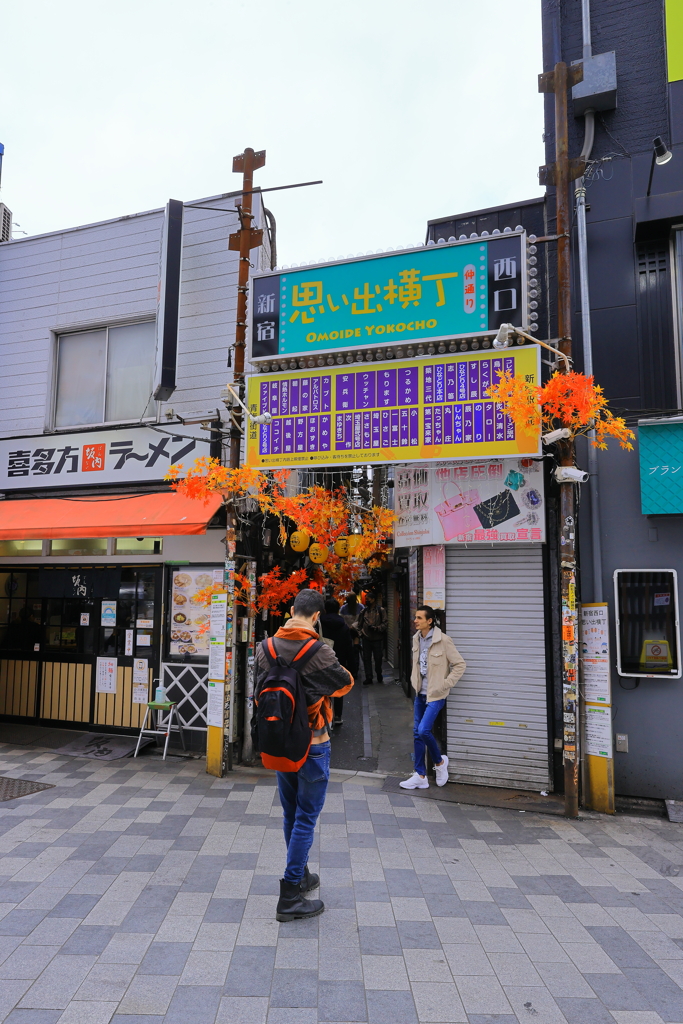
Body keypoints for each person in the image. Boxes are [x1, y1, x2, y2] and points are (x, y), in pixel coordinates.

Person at [254, 589, 353, 921]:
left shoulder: (264, 648)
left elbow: (258, 693)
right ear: (316, 617)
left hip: (281, 743)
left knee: (290, 814)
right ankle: (290, 894)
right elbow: (344, 683)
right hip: (313, 744)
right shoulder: (319, 651)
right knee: (307, 817)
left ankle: (302, 872)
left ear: (291, 610)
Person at [400, 604, 466, 790]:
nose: (415, 621)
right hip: (420, 693)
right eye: (416, 617)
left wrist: (445, 684)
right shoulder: (416, 639)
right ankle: (420, 775)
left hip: (436, 694)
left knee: (423, 730)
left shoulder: (443, 640)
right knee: (416, 733)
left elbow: (460, 665)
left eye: (419, 618)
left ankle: (439, 763)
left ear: (430, 621)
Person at [320, 598, 354, 726]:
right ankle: (338, 715)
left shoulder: (319, 624)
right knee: (338, 686)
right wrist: (352, 667)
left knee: (323, 686)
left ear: (325, 609)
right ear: (338, 609)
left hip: (321, 659)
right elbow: (348, 646)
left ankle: (325, 714)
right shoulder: (343, 625)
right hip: (339, 659)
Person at [354, 590, 387, 685]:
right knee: (366, 659)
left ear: (373, 600)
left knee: (378, 658)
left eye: (368, 599)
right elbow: (358, 624)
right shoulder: (363, 611)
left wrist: (377, 628)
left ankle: (379, 673)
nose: (367, 601)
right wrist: (361, 634)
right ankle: (369, 676)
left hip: (377, 639)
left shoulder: (381, 610)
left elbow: (385, 623)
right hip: (366, 639)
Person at [340, 591, 363, 683]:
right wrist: (354, 626)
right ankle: (354, 671)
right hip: (355, 632)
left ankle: (350, 671)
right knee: (355, 652)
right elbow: (361, 620)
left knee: (349, 652)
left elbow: (341, 620)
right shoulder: (360, 607)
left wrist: (349, 626)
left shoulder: (343, 608)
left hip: (349, 632)